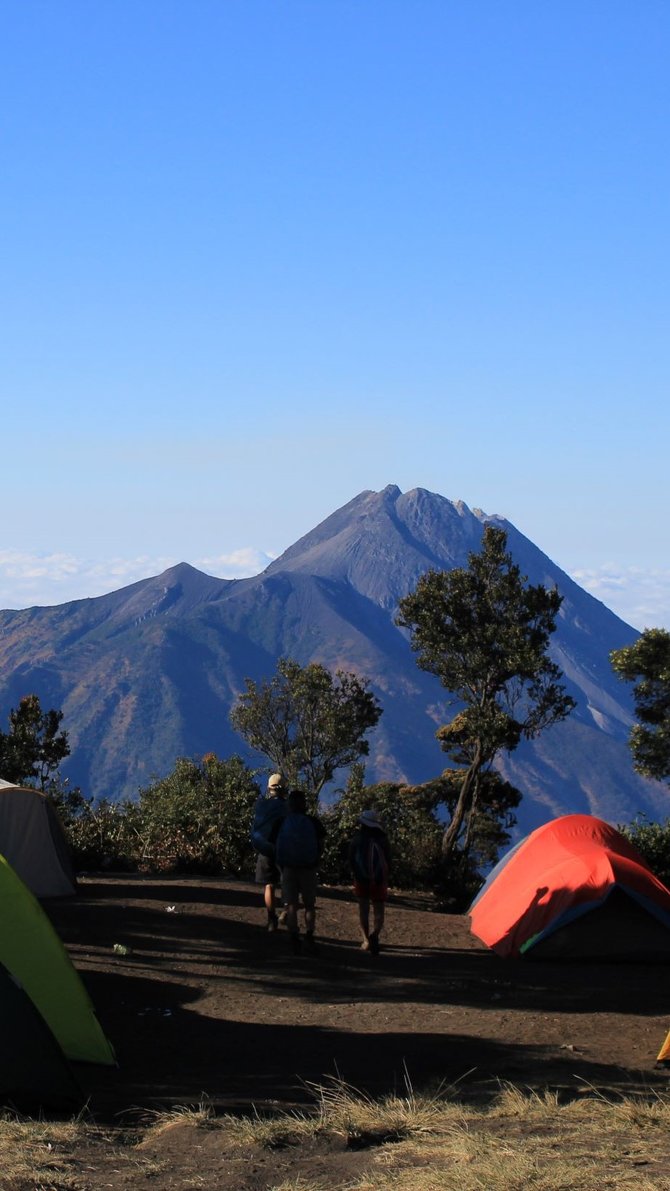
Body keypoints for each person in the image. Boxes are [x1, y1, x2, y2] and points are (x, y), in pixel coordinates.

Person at [274, 789, 325, 955]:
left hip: (288, 867)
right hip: (309, 868)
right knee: (310, 905)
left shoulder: (282, 821)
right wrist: (315, 861)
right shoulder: (313, 822)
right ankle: (309, 937)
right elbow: (321, 844)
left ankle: (293, 936)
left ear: (289, 805)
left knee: (291, 905)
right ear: (305, 805)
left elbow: (274, 844)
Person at [348, 809, 391, 955]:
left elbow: (351, 858)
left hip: (361, 878)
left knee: (363, 910)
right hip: (379, 880)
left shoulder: (357, 838)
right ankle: (375, 935)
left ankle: (366, 940)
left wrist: (355, 872)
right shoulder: (383, 839)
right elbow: (388, 859)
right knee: (379, 910)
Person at [251, 773, 288, 931]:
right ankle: (286, 911)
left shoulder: (261, 805)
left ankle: (271, 919)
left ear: (269, 788)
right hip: (283, 849)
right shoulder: (288, 806)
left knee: (269, 885)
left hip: (265, 848)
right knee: (287, 883)